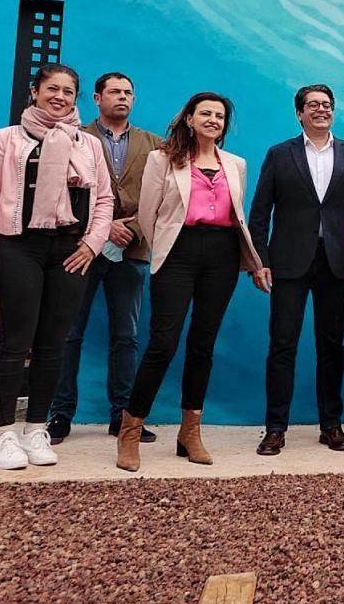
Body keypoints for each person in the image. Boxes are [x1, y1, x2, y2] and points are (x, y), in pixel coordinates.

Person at [0, 64, 114, 470]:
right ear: (35, 91)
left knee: (55, 343)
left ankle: (36, 429)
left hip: (69, 250)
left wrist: (91, 243)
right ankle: (5, 434)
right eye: (53, 88)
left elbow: (104, 201)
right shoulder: (5, 139)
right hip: (17, 247)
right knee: (13, 342)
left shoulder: (88, 144)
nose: (61, 97)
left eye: (69, 91)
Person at [117, 92, 262, 472]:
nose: (214, 120)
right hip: (177, 252)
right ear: (190, 119)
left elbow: (238, 213)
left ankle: (189, 432)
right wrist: (168, 245)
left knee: (203, 345)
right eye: (206, 114)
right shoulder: (161, 159)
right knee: (162, 344)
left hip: (223, 255)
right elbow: (147, 216)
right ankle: (130, 431)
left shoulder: (237, 164)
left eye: (220, 116)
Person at [249, 85, 344, 457]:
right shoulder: (279, 154)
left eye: (326, 105)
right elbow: (260, 213)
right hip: (288, 261)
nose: (321, 110)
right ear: (299, 113)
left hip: (336, 262)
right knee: (282, 345)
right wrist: (260, 260)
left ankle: (331, 425)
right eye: (313, 105)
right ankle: (275, 428)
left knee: (332, 347)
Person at [48, 72, 162, 446]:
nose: (123, 97)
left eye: (129, 92)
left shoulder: (155, 145)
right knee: (68, 334)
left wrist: (130, 227)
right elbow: (58, 193)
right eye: (115, 92)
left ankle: (123, 418)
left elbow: (162, 200)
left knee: (126, 337)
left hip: (132, 250)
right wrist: (101, 227)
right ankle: (60, 416)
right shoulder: (73, 138)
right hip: (79, 249)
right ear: (97, 98)